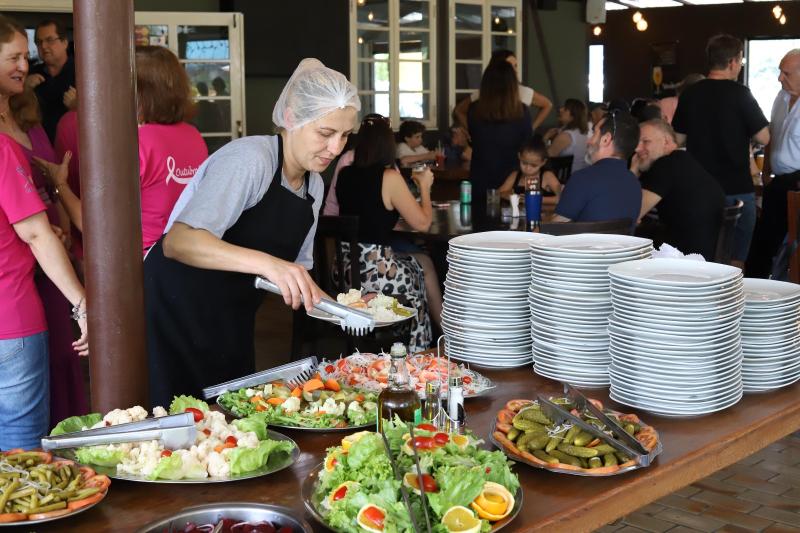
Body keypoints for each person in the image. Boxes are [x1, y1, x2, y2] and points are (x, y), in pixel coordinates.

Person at [144, 58, 359, 408]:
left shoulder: (314, 186)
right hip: (172, 310)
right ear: (291, 118)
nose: (336, 148)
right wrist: (269, 264)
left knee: (229, 421)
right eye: (325, 133)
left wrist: (347, 310)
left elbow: (295, 277)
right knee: (174, 422)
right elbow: (178, 241)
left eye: (345, 135)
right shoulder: (251, 159)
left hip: (231, 318)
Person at [0, 15, 88, 449]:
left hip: (26, 292)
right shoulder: (3, 147)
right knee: (22, 453)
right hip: (14, 310)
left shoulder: (26, 126)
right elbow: (34, 233)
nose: (25, 65)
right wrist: (83, 303)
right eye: (14, 56)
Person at [40, 47, 209, 255]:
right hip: (185, 256)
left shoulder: (135, 143)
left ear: (136, 91)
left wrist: (60, 183)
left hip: (144, 260)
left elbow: (95, 227)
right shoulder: (193, 135)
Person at [336, 114, 439, 351]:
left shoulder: (345, 175)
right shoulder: (389, 177)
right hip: (376, 273)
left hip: (345, 269)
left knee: (423, 261)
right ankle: (423, 344)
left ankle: (424, 335)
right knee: (423, 267)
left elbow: (368, 216)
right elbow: (423, 223)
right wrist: (425, 186)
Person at [672, 34, 769, 269]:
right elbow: (764, 137)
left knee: (700, 259)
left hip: (698, 190)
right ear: (733, 62)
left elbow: (677, 139)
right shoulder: (741, 94)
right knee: (735, 261)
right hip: (737, 189)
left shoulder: (690, 94)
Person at [632, 119, 725, 260]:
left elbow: (631, 214)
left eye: (645, 141)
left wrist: (633, 172)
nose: (637, 149)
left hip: (683, 259)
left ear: (666, 141)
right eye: (637, 143)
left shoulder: (665, 165)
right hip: (705, 256)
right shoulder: (685, 161)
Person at [748, 49, 800, 277]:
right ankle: (757, 285)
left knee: (793, 245)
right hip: (778, 181)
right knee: (764, 241)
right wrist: (766, 173)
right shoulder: (781, 97)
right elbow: (772, 136)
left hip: (798, 181)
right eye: (780, 71)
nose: (779, 78)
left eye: (786, 73)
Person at [552, 110, 641, 229]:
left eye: (594, 133)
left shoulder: (583, 179)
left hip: (580, 242)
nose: (589, 141)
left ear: (606, 140)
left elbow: (552, 231)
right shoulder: (635, 185)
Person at [467, 60, 533, 212]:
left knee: (479, 222)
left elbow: (475, 138)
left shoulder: (474, 110)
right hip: (511, 181)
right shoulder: (521, 111)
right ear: (512, 85)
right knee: (513, 223)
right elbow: (527, 147)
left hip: (480, 178)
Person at [454, 49, 553, 131]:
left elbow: (547, 105)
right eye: (509, 66)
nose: (515, 70)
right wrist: (473, 132)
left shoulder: (522, 92)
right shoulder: (483, 93)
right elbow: (459, 110)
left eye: (516, 66)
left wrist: (530, 129)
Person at [26, 19, 74, 143]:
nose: (43, 46)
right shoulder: (29, 73)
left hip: (72, 146)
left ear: (64, 43)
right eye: (39, 42)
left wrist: (79, 107)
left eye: (50, 40)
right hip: (38, 146)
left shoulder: (82, 73)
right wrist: (25, 89)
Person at [498, 136, 561, 206]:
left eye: (533, 165)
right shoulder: (515, 175)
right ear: (519, 156)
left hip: (543, 212)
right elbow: (499, 193)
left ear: (543, 162)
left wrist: (536, 199)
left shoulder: (547, 176)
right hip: (520, 212)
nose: (528, 168)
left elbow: (562, 198)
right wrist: (515, 197)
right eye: (524, 163)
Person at [543, 99, 589, 175]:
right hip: (581, 174)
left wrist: (545, 137)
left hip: (566, 178)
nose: (560, 110)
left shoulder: (566, 136)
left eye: (565, 109)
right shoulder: (582, 133)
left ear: (573, 116)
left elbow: (545, 158)